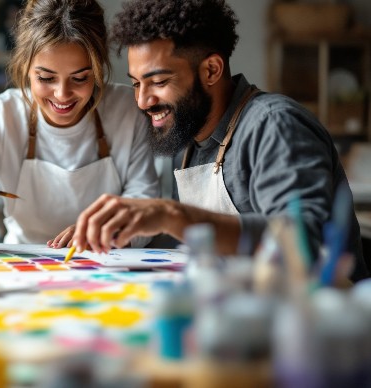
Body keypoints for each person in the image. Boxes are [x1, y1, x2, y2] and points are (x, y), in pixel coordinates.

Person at [72, 0, 369, 281]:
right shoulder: (188, 140)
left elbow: (305, 242)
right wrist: (122, 231)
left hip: (322, 319)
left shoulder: (274, 125)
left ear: (211, 70)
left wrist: (170, 214)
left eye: (159, 82)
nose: (142, 101)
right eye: (137, 84)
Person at [0, 0, 160, 248]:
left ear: (99, 68)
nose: (62, 95)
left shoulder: (126, 109)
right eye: (46, 78)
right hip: (23, 270)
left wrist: (104, 233)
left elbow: (147, 209)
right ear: (25, 68)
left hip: (106, 266)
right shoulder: (0, 118)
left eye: (80, 79)